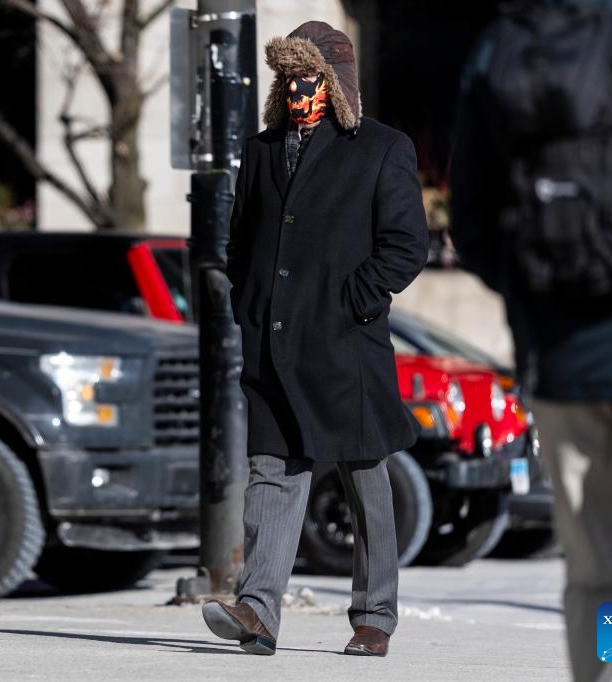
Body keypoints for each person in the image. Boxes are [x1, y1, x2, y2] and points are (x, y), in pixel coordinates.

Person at [450, 1, 612, 679]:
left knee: (598, 568)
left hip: (557, 356)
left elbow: (471, 215)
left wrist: (535, 299)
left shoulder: (504, 42)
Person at [201, 22, 429, 657]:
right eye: (289, 77)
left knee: (365, 479)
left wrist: (356, 300)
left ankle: (374, 615)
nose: (298, 88)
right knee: (272, 472)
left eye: (310, 76)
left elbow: (408, 244)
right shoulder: (263, 148)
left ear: (334, 82)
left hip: (345, 348)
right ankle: (257, 611)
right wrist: (247, 302)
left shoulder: (381, 148)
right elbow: (241, 241)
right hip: (272, 343)